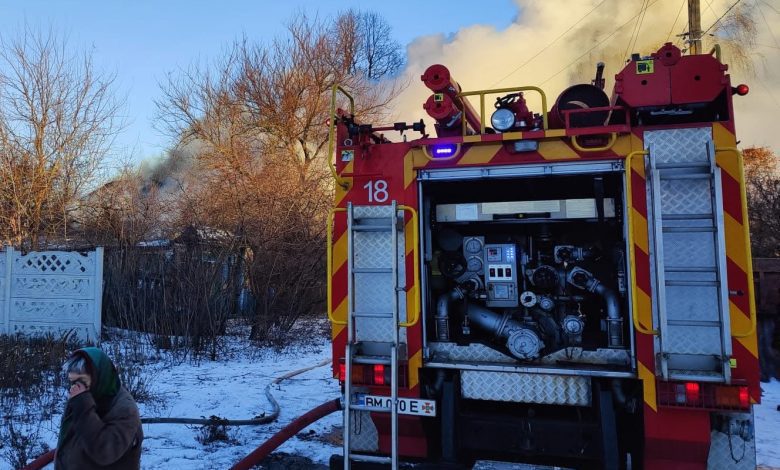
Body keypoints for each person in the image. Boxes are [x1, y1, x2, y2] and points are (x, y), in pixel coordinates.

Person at [55, 347, 143, 469]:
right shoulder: (84, 395)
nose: (75, 387)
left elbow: (104, 452)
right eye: (72, 381)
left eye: (82, 380)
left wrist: (83, 405)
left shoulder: (125, 409)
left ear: (99, 376)